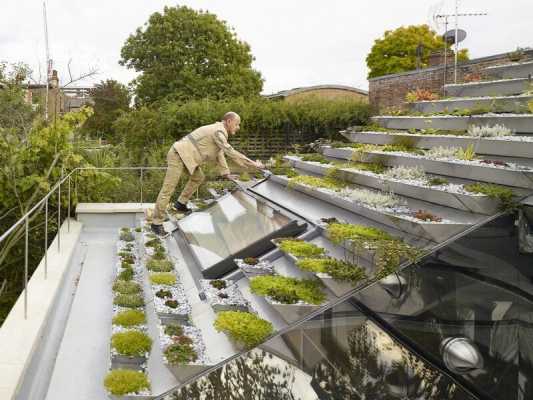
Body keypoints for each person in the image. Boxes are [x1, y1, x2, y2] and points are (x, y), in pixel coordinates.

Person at [150, 111, 264, 236]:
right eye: (237, 124)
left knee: (199, 177)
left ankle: (180, 204)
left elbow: (220, 153)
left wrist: (225, 173)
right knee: (168, 189)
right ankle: (156, 223)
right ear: (229, 121)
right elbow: (229, 151)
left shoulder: (219, 131)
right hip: (178, 155)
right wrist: (254, 164)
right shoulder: (218, 131)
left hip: (187, 157)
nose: (238, 127)